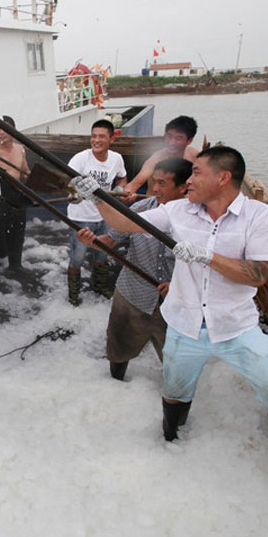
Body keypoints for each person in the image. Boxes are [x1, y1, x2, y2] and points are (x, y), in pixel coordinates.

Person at [72, 146, 268, 445]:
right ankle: (172, 439)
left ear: (223, 177)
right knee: (175, 392)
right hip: (184, 327)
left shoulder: (259, 216)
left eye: (197, 173)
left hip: (236, 326)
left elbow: (259, 275)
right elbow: (124, 223)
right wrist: (98, 198)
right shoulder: (177, 210)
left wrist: (208, 257)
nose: (190, 181)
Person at [76, 158, 192, 381]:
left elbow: (206, 268)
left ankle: (173, 398)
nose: (155, 189)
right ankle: (115, 384)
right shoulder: (140, 208)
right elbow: (109, 241)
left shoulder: (197, 221)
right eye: (153, 182)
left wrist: (179, 286)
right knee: (119, 348)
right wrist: (92, 241)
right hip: (131, 294)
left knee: (177, 362)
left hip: (174, 304)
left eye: (162, 184)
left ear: (183, 187)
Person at [66, 119, 129, 305]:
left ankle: (99, 287)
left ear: (111, 139)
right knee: (77, 258)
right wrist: (73, 192)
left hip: (105, 217)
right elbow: (67, 182)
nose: (96, 140)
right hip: (80, 217)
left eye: (102, 136)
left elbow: (123, 178)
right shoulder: (80, 158)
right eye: (93, 136)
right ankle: (73, 296)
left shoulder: (116, 159)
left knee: (102, 255)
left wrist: (119, 190)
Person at [0, 116, 32, 285]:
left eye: (3, 129)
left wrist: (33, 178)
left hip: (17, 193)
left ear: (13, 131)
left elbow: (25, 172)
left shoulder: (20, 149)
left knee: (18, 233)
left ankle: (15, 266)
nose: (0, 133)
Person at [124, 116, 199, 196]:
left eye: (178, 138)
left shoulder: (194, 155)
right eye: (169, 136)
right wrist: (127, 194)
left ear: (189, 140)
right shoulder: (156, 159)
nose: (171, 142)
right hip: (156, 203)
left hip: (184, 202)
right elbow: (135, 183)